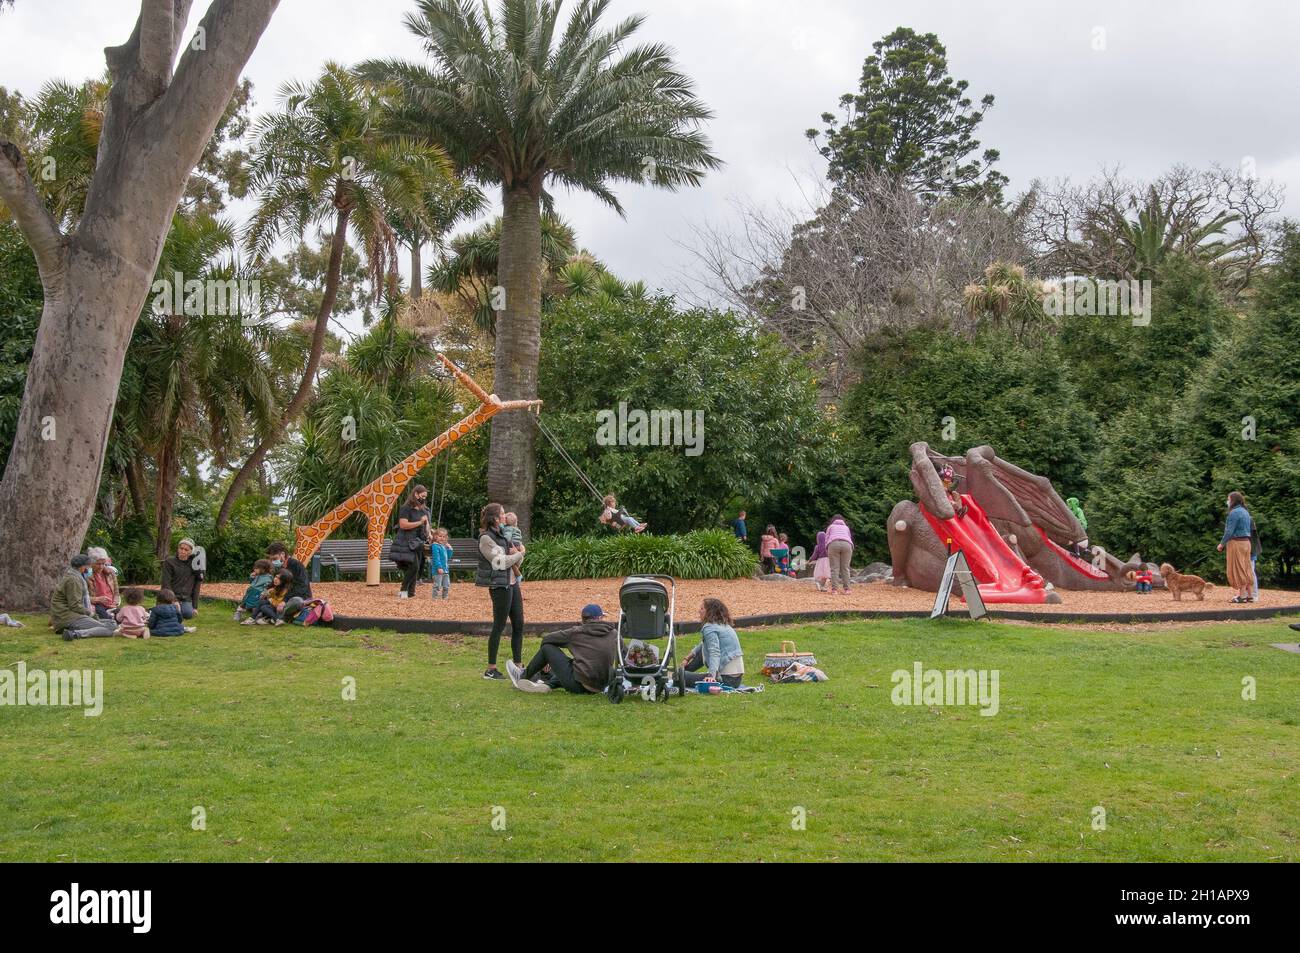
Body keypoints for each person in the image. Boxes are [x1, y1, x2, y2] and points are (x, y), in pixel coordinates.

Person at [512, 603, 618, 695]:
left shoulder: (576, 632)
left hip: (578, 685)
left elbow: (547, 639)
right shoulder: (614, 633)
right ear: (600, 618)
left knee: (547, 649)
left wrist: (545, 661)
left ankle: (522, 677)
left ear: (583, 619)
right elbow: (626, 655)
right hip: (602, 685)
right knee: (575, 665)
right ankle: (547, 685)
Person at [477, 502, 526, 680]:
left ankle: (519, 665)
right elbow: (500, 563)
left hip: (513, 584)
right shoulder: (486, 539)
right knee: (499, 625)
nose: (506, 516)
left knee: (519, 624)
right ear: (495, 518)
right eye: (503, 514)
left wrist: (518, 554)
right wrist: (520, 553)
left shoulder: (504, 537)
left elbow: (513, 562)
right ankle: (491, 668)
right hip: (500, 587)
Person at [50, 554, 119, 640]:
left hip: (75, 616)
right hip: (67, 618)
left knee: (112, 623)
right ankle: (74, 634)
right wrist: (91, 614)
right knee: (108, 629)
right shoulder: (73, 580)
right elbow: (75, 605)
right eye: (88, 566)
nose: (90, 568)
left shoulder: (76, 577)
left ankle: (75, 630)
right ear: (82, 567)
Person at [680, 598, 745, 688]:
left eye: (702, 609)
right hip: (735, 680)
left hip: (726, 680)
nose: (699, 611)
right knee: (702, 651)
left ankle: (681, 673)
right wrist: (687, 658)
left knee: (679, 678)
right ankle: (683, 671)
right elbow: (704, 644)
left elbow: (714, 651)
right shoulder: (722, 624)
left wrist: (711, 676)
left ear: (710, 612)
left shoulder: (709, 627)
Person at [391, 484, 432, 599]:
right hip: (406, 541)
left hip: (418, 541)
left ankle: (411, 593)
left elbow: (426, 524)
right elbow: (403, 525)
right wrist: (419, 522)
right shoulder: (406, 508)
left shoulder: (424, 509)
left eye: (425, 497)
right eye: (422, 496)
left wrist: (429, 533)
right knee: (413, 566)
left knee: (416, 567)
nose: (423, 498)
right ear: (416, 494)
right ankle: (403, 590)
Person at [1217, 491, 1254, 603]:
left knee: (1238, 568)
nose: (1227, 501)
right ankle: (1250, 595)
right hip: (1246, 543)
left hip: (1237, 543)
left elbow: (1229, 531)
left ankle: (1241, 596)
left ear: (1233, 500)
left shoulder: (1234, 513)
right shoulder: (1245, 511)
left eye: (1228, 499)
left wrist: (1222, 544)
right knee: (1246, 567)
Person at [265, 542, 312, 622]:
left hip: (296, 598)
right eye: (271, 559)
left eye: (274, 559)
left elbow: (301, 587)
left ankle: (277, 616)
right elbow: (276, 584)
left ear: (283, 554)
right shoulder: (279, 567)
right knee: (262, 597)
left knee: (297, 601)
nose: (272, 561)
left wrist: (284, 601)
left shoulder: (296, 565)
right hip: (280, 597)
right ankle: (277, 616)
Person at [160, 538, 202, 621]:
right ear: (178, 548)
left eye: (186, 550)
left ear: (191, 552)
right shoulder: (169, 562)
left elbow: (196, 587)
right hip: (169, 596)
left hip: (185, 598)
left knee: (188, 614)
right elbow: (166, 584)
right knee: (168, 613)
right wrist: (174, 600)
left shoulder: (195, 565)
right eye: (181, 548)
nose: (183, 551)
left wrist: (195, 607)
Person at [86, 546, 120, 621]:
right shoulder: (86, 576)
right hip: (96, 605)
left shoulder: (111, 573)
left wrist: (114, 603)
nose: (101, 566)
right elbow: (82, 597)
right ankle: (111, 621)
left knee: (124, 612)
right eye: (98, 564)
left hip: (111, 605)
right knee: (100, 611)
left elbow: (116, 593)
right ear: (91, 563)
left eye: (103, 563)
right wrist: (98, 599)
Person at [824, 515, 854, 594]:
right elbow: (849, 537)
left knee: (834, 568)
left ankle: (834, 590)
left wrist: (827, 549)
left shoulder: (830, 527)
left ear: (833, 520)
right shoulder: (846, 527)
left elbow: (826, 539)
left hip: (833, 544)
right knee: (845, 568)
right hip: (847, 545)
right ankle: (847, 589)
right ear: (843, 520)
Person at [430, 527, 452, 600]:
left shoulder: (443, 546)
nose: (442, 538)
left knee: (446, 585)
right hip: (438, 570)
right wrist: (439, 567)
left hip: (445, 569)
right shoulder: (435, 546)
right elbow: (436, 558)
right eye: (440, 536)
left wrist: (449, 549)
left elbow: (447, 557)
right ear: (436, 537)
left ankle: (445, 597)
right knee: (437, 585)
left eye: (444, 537)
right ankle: (434, 598)